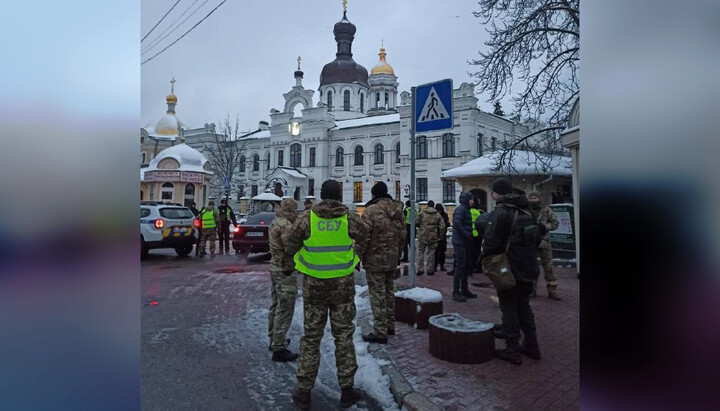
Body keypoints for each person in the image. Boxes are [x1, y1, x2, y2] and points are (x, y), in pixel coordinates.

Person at [285, 179, 369, 410]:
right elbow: (365, 236)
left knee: (311, 338)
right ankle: (347, 390)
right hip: (343, 288)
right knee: (343, 337)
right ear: (340, 196)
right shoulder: (350, 218)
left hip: (314, 288)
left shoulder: (307, 218)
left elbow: (290, 244)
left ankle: (303, 391)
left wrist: (300, 258)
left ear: (321, 195)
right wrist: (355, 257)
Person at [481, 177, 542, 364]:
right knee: (523, 305)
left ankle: (512, 349)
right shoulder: (528, 210)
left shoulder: (503, 211)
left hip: (509, 267)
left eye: (493, 191)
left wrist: (486, 259)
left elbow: (491, 241)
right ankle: (532, 345)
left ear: (498, 193)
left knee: (508, 307)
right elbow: (537, 239)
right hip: (529, 266)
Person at [360, 182, 405, 344]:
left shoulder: (370, 211)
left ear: (374, 195)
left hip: (374, 261)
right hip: (392, 259)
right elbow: (402, 236)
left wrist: (357, 257)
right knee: (388, 292)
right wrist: (397, 254)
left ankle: (380, 332)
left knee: (377, 295)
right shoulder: (398, 211)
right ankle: (389, 325)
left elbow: (363, 237)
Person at [268, 198, 300, 362]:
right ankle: (279, 347)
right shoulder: (286, 225)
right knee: (285, 307)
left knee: (275, 304)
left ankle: (273, 339)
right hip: (285, 268)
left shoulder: (276, 221)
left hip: (275, 267)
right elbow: (291, 246)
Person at [527, 190, 561, 300]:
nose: (533, 200)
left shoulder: (546, 210)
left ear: (539, 199)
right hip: (531, 242)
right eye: (531, 198)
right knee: (531, 267)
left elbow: (555, 223)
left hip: (544, 242)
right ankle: (531, 290)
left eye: (534, 198)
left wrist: (545, 227)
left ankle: (552, 290)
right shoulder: (526, 210)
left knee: (548, 267)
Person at [450, 192, 476, 302]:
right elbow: (457, 224)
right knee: (460, 267)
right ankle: (456, 292)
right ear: (466, 200)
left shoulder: (466, 210)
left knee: (465, 266)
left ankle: (464, 289)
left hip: (464, 242)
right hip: (460, 242)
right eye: (471, 199)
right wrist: (467, 234)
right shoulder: (461, 210)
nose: (473, 201)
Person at [415, 200, 445, 276]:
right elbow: (442, 226)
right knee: (431, 253)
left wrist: (420, 227)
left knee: (421, 252)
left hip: (423, 235)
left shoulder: (422, 213)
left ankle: (420, 269)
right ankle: (430, 269)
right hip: (433, 236)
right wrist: (440, 236)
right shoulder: (437, 214)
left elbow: (416, 222)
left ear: (427, 205)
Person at [468, 197, 484, 274]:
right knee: (478, 252)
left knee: (471, 253)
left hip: (471, 234)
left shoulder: (470, 211)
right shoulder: (480, 212)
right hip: (479, 234)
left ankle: (471, 268)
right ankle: (479, 267)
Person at [434, 203, 450, 272]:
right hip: (435, 235)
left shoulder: (445, 215)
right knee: (435, 252)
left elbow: (447, 223)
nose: (439, 211)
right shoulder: (434, 215)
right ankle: (435, 266)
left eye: (440, 210)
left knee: (442, 251)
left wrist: (446, 224)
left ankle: (442, 265)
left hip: (442, 236)